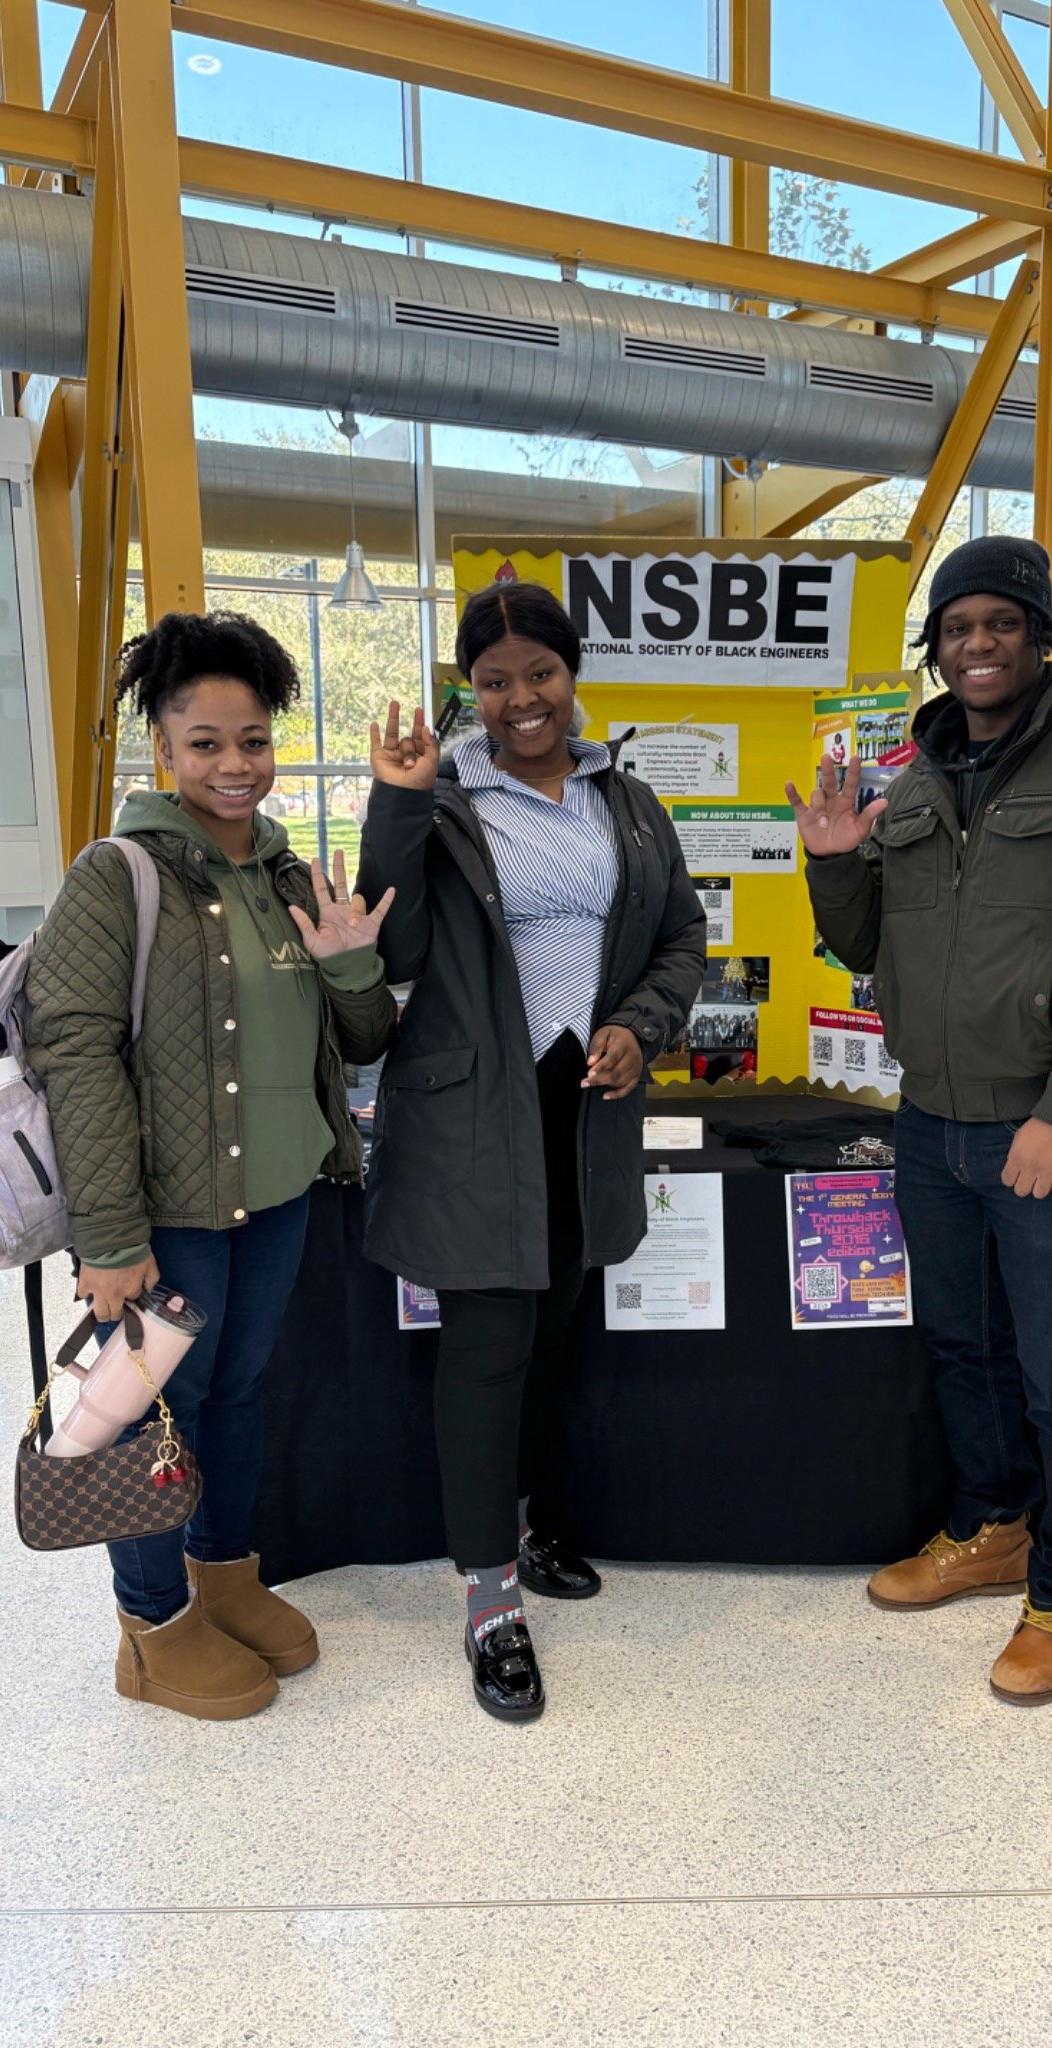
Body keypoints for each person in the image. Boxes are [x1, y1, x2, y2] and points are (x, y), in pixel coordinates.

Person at [787, 537, 1052, 1705]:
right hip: (930, 1122)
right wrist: (835, 863)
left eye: (1002, 622)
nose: (978, 644)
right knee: (960, 1344)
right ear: (936, 649)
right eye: (958, 627)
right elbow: (863, 945)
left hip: (1043, 1126)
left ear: (1041, 636)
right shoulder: (913, 778)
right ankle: (994, 1526)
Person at [27, 612, 397, 1720]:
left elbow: (365, 1036)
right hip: (164, 1212)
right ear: (162, 745)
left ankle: (225, 1571)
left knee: (235, 1394)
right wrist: (109, 1239)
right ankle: (150, 1626)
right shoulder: (117, 873)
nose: (234, 765)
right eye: (205, 742)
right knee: (146, 1415)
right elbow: (76, 1053)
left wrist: (347, 964)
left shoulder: (282, 869)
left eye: (252, 739)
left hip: (278, 1193)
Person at [357, 579, 704, 1723]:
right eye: (494, 679)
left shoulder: (628, 797)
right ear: (472, 687)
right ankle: (490, 1598)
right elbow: (392, 939)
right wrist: (396, 800)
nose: (520, 699)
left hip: (584, 1102)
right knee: (490, 1346)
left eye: (540, 672)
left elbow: (678, 937)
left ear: (573, 674)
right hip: (473, 1112)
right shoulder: (445, 793)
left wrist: (638, 1028)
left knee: (555, 1324)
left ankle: (524, 1514)